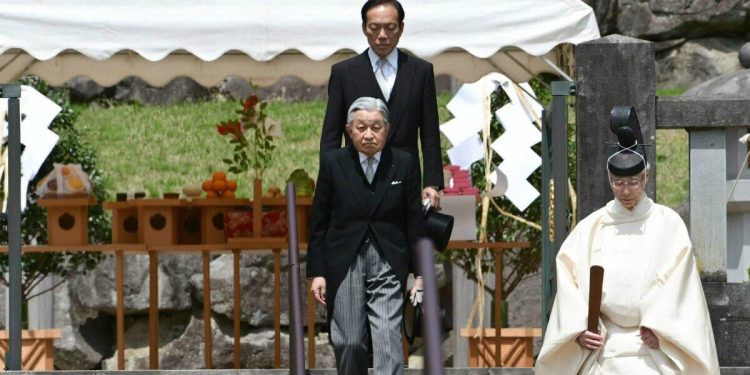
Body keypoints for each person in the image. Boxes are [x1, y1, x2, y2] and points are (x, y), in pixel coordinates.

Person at [535, 107, 720, 374]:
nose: (626, 191)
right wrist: (579, 329)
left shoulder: (668, 223)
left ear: (646, 176)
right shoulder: (591, 227)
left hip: (654, 346)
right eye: (618, 183)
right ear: (609, 180)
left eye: (633, 182)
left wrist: (666, 330)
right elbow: (569, 282)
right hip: (604, 346)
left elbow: (682, 287)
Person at [308, 97, 425, 375]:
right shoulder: (333, 162)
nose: (369, 134)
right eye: (361, 127)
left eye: (376, 127)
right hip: (344, 260)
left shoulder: (404, 163)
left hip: (388, 260)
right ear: (350, 131)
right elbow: (319, 222)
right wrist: (317, 272)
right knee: (349, 343)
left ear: (387, 129)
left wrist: (419, 274)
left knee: (388, 344)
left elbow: (414, 222)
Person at [320, 0, 443, 209]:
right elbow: (331, 134)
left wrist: (432, 183)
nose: (382, 35)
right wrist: (329, 181)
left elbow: (430, 133)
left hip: (405, 180)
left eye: (390, 27)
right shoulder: (344, 72)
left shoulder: (420, 71)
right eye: (374, 28)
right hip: (356, 180)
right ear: (364, 29)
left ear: (401, 28)